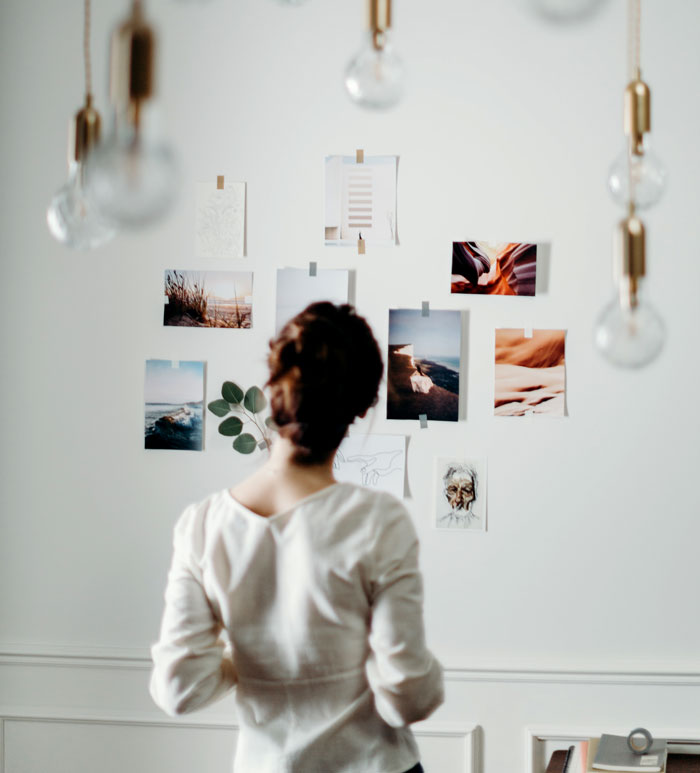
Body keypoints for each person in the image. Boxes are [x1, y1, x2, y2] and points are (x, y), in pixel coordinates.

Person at [149, 302, 444, 773]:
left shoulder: (202, 525)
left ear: (274, 389)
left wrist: (242, 660)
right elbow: (407, 697)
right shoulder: (377, 521)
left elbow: (180, 688)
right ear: (365, 405)